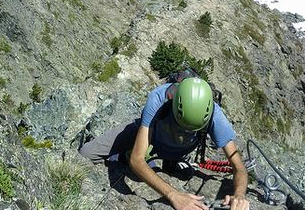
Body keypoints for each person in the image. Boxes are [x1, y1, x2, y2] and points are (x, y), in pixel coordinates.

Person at [79, 78, 249, 210]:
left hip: (178, 150)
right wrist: (173, 195)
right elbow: (137, 160)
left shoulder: (215, 115)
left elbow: (239, 167)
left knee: (166, 167)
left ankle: (169, 161)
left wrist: (239, 195)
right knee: (85, 154)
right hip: (149, 136)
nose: (184, 131)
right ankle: (127, 153)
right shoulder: (159, 99)